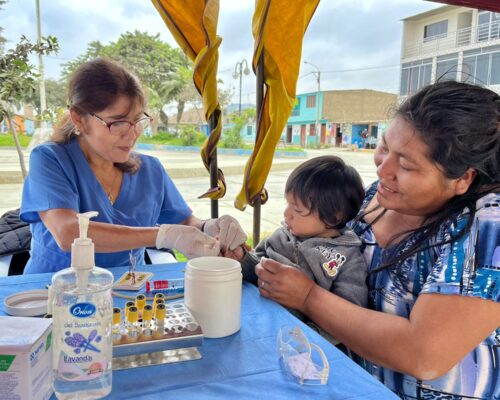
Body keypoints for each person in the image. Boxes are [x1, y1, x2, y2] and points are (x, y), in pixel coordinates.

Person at [253, 81, 500, 399]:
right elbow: (321, 253)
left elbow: (423, 354)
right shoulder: (377, 196)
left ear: (463, 178)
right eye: (384, 147)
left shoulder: (488, 226)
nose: (383, 170)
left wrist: (308, 298)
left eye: (407, 165)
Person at [20, 58, 246, 274]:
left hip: (130, 290)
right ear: (79, 119)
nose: (132, 134)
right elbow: (68, 233)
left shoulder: (150, 170)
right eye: (117, 122)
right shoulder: (50, 160)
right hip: (53, 292)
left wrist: (210, 228)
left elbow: (184, 222)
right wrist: (162, 235)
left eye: (138, 120)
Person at [225, 156, 368, 339]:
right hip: (256, 322)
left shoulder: (347, 258)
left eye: (297, 209)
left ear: (333, 217)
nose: (286, 213)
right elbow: (257, 269)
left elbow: (348, 315)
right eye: (287, 203)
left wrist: (310, 335)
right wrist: (242, 258)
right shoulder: (281, 236)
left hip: (301, 344)